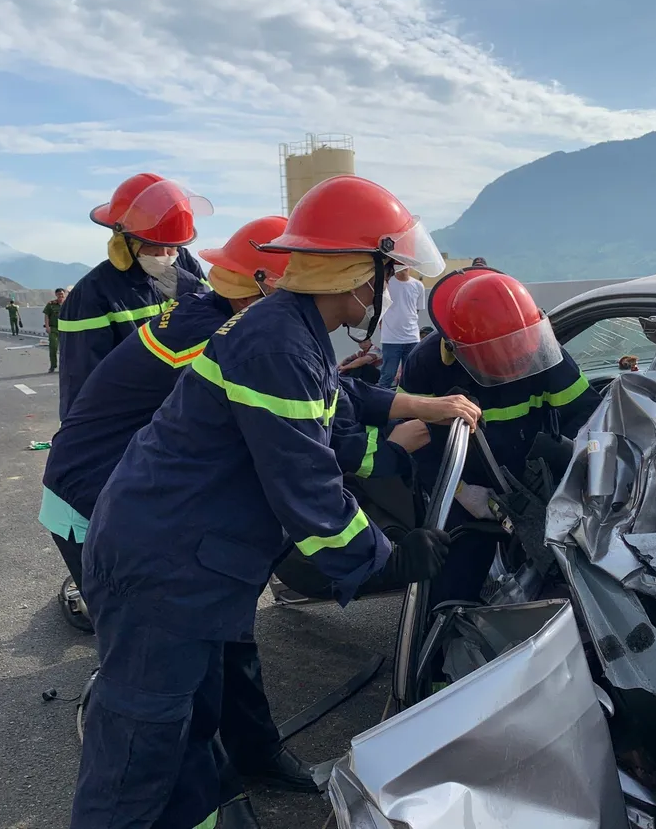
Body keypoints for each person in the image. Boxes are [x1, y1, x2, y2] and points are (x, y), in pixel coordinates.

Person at [70, 176, 480, 829]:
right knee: (138, 749)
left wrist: (420, 406)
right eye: (384, 274)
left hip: (191, 563)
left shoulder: (291, 331)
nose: (387, 288)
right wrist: (385, 559)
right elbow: (308, 484)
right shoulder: (276, 342)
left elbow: (334, 401)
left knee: (192, 730)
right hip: (164, 568)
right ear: (353, 275)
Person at [42, 217, 320, 816]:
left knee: (223, 642)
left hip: (141, 486)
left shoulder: (204, 294)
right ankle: (194, 784)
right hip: (108, 496)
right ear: (267, 283)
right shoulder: (209, 323)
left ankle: (242, 763)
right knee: (156, 690)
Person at [398, 265, 601, 607]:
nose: (512, 361)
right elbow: (413, 440)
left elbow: (586, 415)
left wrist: (570, 474)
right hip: (463, 489)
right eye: (497, 353)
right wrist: (461, 492)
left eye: (517, 348)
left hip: (533, 484)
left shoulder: (542, 352)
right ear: (456, 348)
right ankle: (444, 648)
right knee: (453, 581)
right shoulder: (427, 366)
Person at [57, 173, 209, 419]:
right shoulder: (92, 296)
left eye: (172, 246)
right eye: (153, 245)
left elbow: (218, 326)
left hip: (184, 417)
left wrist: (197, 293)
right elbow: (82, 385)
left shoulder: (186, 267)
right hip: (131, 423)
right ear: (125, 240)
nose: (165, 255)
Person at [377, 266, 426, 388]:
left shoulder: (418, 286)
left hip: (412, 338)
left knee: (411, 375)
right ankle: (381, 403)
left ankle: (407, 403)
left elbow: (416, 310)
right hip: (391, 339)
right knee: (388, 375)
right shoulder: (387, 283)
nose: (402, 267)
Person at [44, 288, 65, 373]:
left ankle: (64, 366)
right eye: (59, 294)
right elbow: (46, 315)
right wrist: (47, 327)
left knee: (65, 349)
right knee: (53, 347)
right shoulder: (51, 304)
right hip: (54, 329)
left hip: (65, 329)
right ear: (56, 295)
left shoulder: (68, 304)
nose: (61, 295)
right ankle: (53, 365)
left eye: (62, 294)